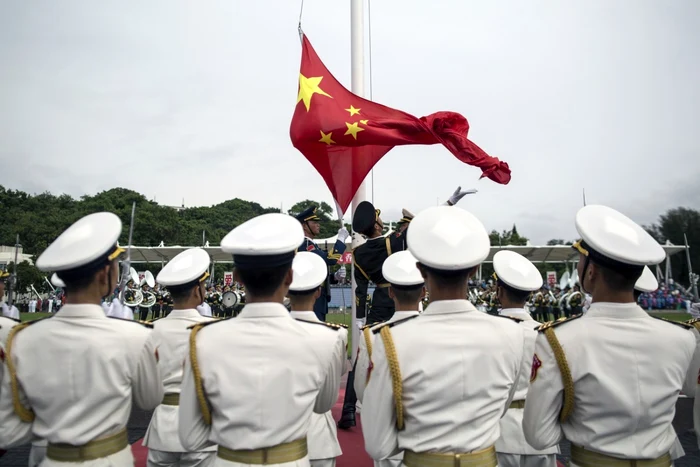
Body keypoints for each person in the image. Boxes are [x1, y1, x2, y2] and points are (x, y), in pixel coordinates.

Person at [522, 205, 695, 467]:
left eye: (581, 260)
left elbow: (538, 435)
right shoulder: (683, 336)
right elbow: (692, 388)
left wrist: (582, 430)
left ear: (590, 272)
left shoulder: (557, 340)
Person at [362, 206, 528, 466]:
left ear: (420, 270)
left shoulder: (390, 339)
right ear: (474, 270)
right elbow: (502, 408)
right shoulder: (511, 332)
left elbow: (378, 445)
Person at [179, 213, 343, 466]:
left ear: (237, 276)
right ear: (290, 276)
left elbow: (191, 437)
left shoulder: (202, 339)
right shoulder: (325, 338)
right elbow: (322, 406)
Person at [0, 211, 163, 464]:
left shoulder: (20, 339)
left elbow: (8, 430)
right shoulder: (135, 336)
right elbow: (150, 399)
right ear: (103, 274)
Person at [338, 186, 473, 429]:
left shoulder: (359, 253)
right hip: (402, 297)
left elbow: (360, 287)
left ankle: (348, 410)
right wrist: (449, 203)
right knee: (413, 347)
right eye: (379, 218)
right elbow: (423, 225)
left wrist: (360, 316)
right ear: (377, 226)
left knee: (364, 355)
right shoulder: (392, 243)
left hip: (378, 301)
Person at [143, 247, 217, 467]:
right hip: (201, 427)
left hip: (162, 428)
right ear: (197, 290)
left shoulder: (151, 329)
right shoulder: (213, 329)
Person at [354, 250, 423, 467]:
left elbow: (362, 393)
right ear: (423, 292)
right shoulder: (445, 332)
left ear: (390, 292)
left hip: (388, 439)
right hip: (432, 442)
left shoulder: (372, 335)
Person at [492, 250, 559, 467]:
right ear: (529, 295)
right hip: (541, 431)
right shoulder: (549, 334)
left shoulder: (486, 333)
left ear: (498, 291)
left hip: (499, 432)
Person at [288, 251, 348, 467]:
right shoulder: (335, 334)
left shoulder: (266, 332)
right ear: (318, 293)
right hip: (318, 435)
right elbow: (332, 388)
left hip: (278, 437)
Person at [295, 205, 349, 322]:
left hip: (317, 300)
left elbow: (314, 274)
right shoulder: (304, 245)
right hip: (311, 301)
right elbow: (330, 258)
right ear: (304, 226)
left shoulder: (311, 245)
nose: (318, 224)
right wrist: (340, 240)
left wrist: (334, 277)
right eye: (314, 222)